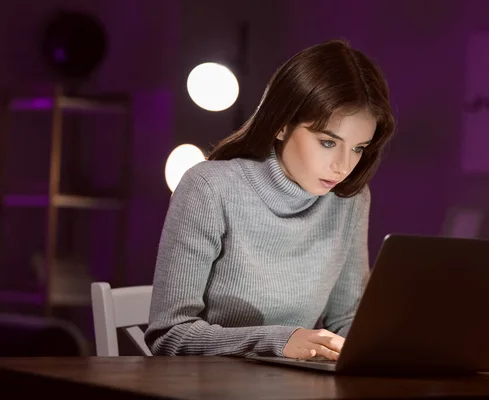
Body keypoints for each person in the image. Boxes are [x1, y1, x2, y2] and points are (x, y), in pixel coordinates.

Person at [144, 39, 396, 360]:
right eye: (328, 142)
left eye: (358, 147)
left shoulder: (348, 199)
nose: (343, 166)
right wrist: (279, 341)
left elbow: (347, 322)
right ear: (281, 125)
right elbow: (169, 335)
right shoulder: (208, 187)